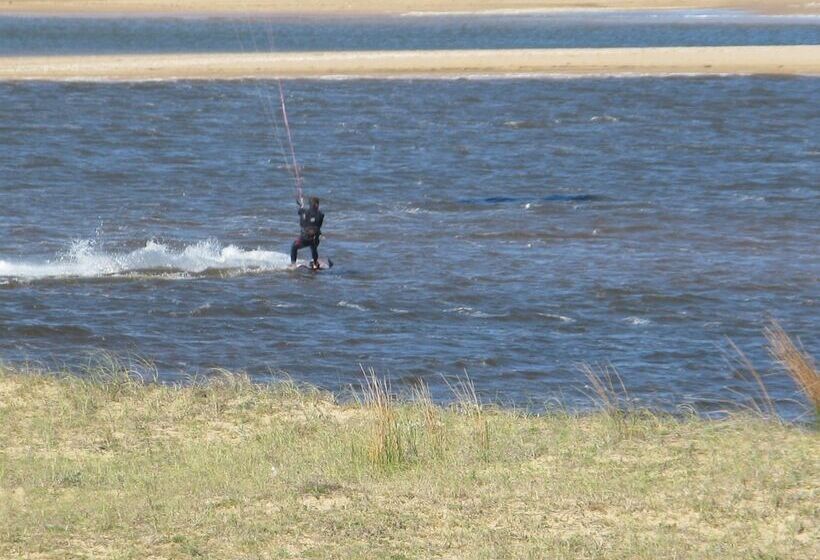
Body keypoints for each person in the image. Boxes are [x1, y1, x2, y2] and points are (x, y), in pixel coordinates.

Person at [290, 196, 324, 269]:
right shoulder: (321, 214)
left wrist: (301, 206)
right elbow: (318, 222)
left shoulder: (304, 212)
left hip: (304, 238)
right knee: (314, 246)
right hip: (315, 239)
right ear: (316, 205)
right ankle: (315, 262)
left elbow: (300, 211)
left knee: (294, 247)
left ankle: (293, 264)